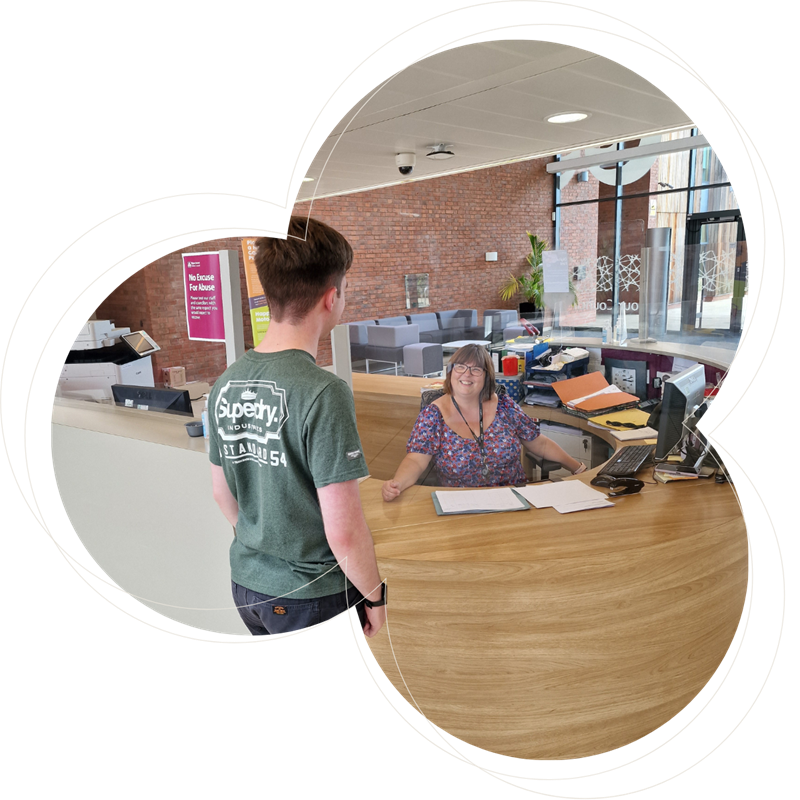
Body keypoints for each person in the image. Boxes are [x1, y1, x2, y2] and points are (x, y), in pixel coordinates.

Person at [208, 216, 386, 638]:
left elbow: (221, 493)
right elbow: (344, 530)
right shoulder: (324, 391)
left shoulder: (225, 382)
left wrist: (267, 551)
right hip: (311, 597)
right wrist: (375, 595)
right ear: (331, 298)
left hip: (247, 586)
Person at [382, 343, 586, 500]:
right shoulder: (433, 416)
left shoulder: (504, 405)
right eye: (460, 367)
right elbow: (415, 460)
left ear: (486, 377)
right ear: (450, 372)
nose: (467, 374)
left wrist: (577, 468)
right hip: (460, 505)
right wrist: (397, 484)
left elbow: (538, 442)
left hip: (513, 500)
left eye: (476, 370)